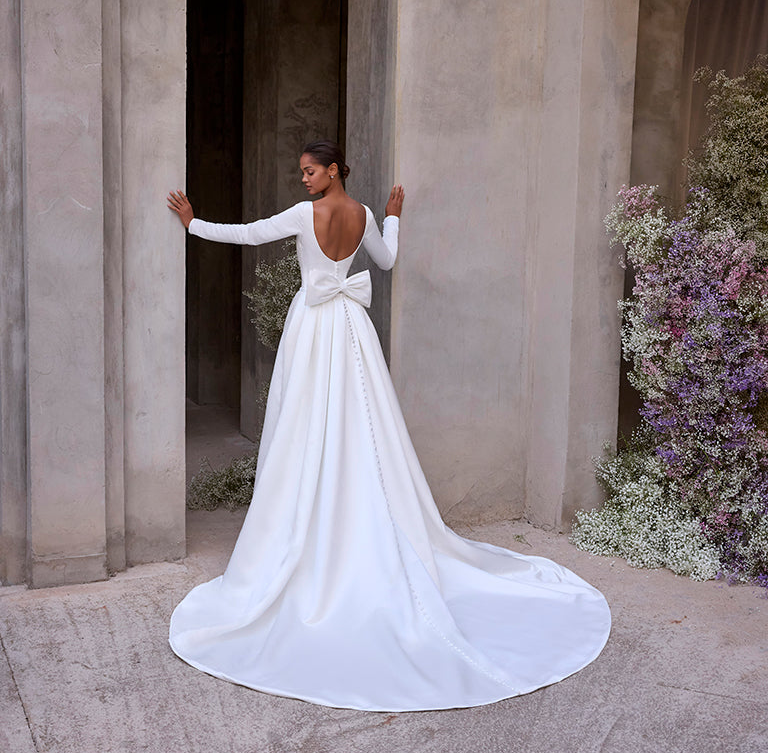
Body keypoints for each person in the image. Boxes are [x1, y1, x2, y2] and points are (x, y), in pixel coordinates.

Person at [167, 140, 610, 711]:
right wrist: (394, 216)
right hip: (351, 325)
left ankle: (317, 520)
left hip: (314, 326)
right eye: (302, 173)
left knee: (305, 423)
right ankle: (346, 506)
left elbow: (250, 234)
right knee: (363, 422)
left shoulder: (305, 214)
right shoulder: (364, 215)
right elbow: (388, 261)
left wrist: (194, 223)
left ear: (333, 171)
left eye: (310, 171)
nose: (303, 180)